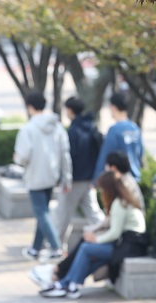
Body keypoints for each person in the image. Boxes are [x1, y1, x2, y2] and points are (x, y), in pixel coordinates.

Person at [30, 150, 145, 289]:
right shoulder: (124, 183)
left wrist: (95, 237)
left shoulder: (121, 191)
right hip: (124, 239)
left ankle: (61, 277)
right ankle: (63, 279)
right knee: (86, 243)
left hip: (126, 242)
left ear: (113, 168)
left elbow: (115, 229)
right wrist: (93, 231)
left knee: (87, 247)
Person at [14, 91, 72, 262]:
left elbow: (22, 155)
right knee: (43, 212)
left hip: (35, 175)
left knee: (42, 213)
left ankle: (56, 247)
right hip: (52, 176)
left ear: (30, 107)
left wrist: (16, 159)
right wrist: (66, 177)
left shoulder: (28, 129)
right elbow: (65, 154)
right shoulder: (57, 127)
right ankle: (35, 249)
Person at [53, 97, 105, 249]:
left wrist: (65, 179)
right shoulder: (92, 128)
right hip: (89, 180)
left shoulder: (73, 132)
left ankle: (57, 247)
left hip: (74, 181)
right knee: (94, 213)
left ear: (69, 110)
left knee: (63, 215)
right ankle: (106, 237)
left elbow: (69, 158)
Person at [93, 92, 144, 182]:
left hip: (119, 181)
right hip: (134, 179)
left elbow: (105, 156)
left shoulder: (114, 130)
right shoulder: (135, 128)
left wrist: (96, 179)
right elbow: (140, 153)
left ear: (113, 107)